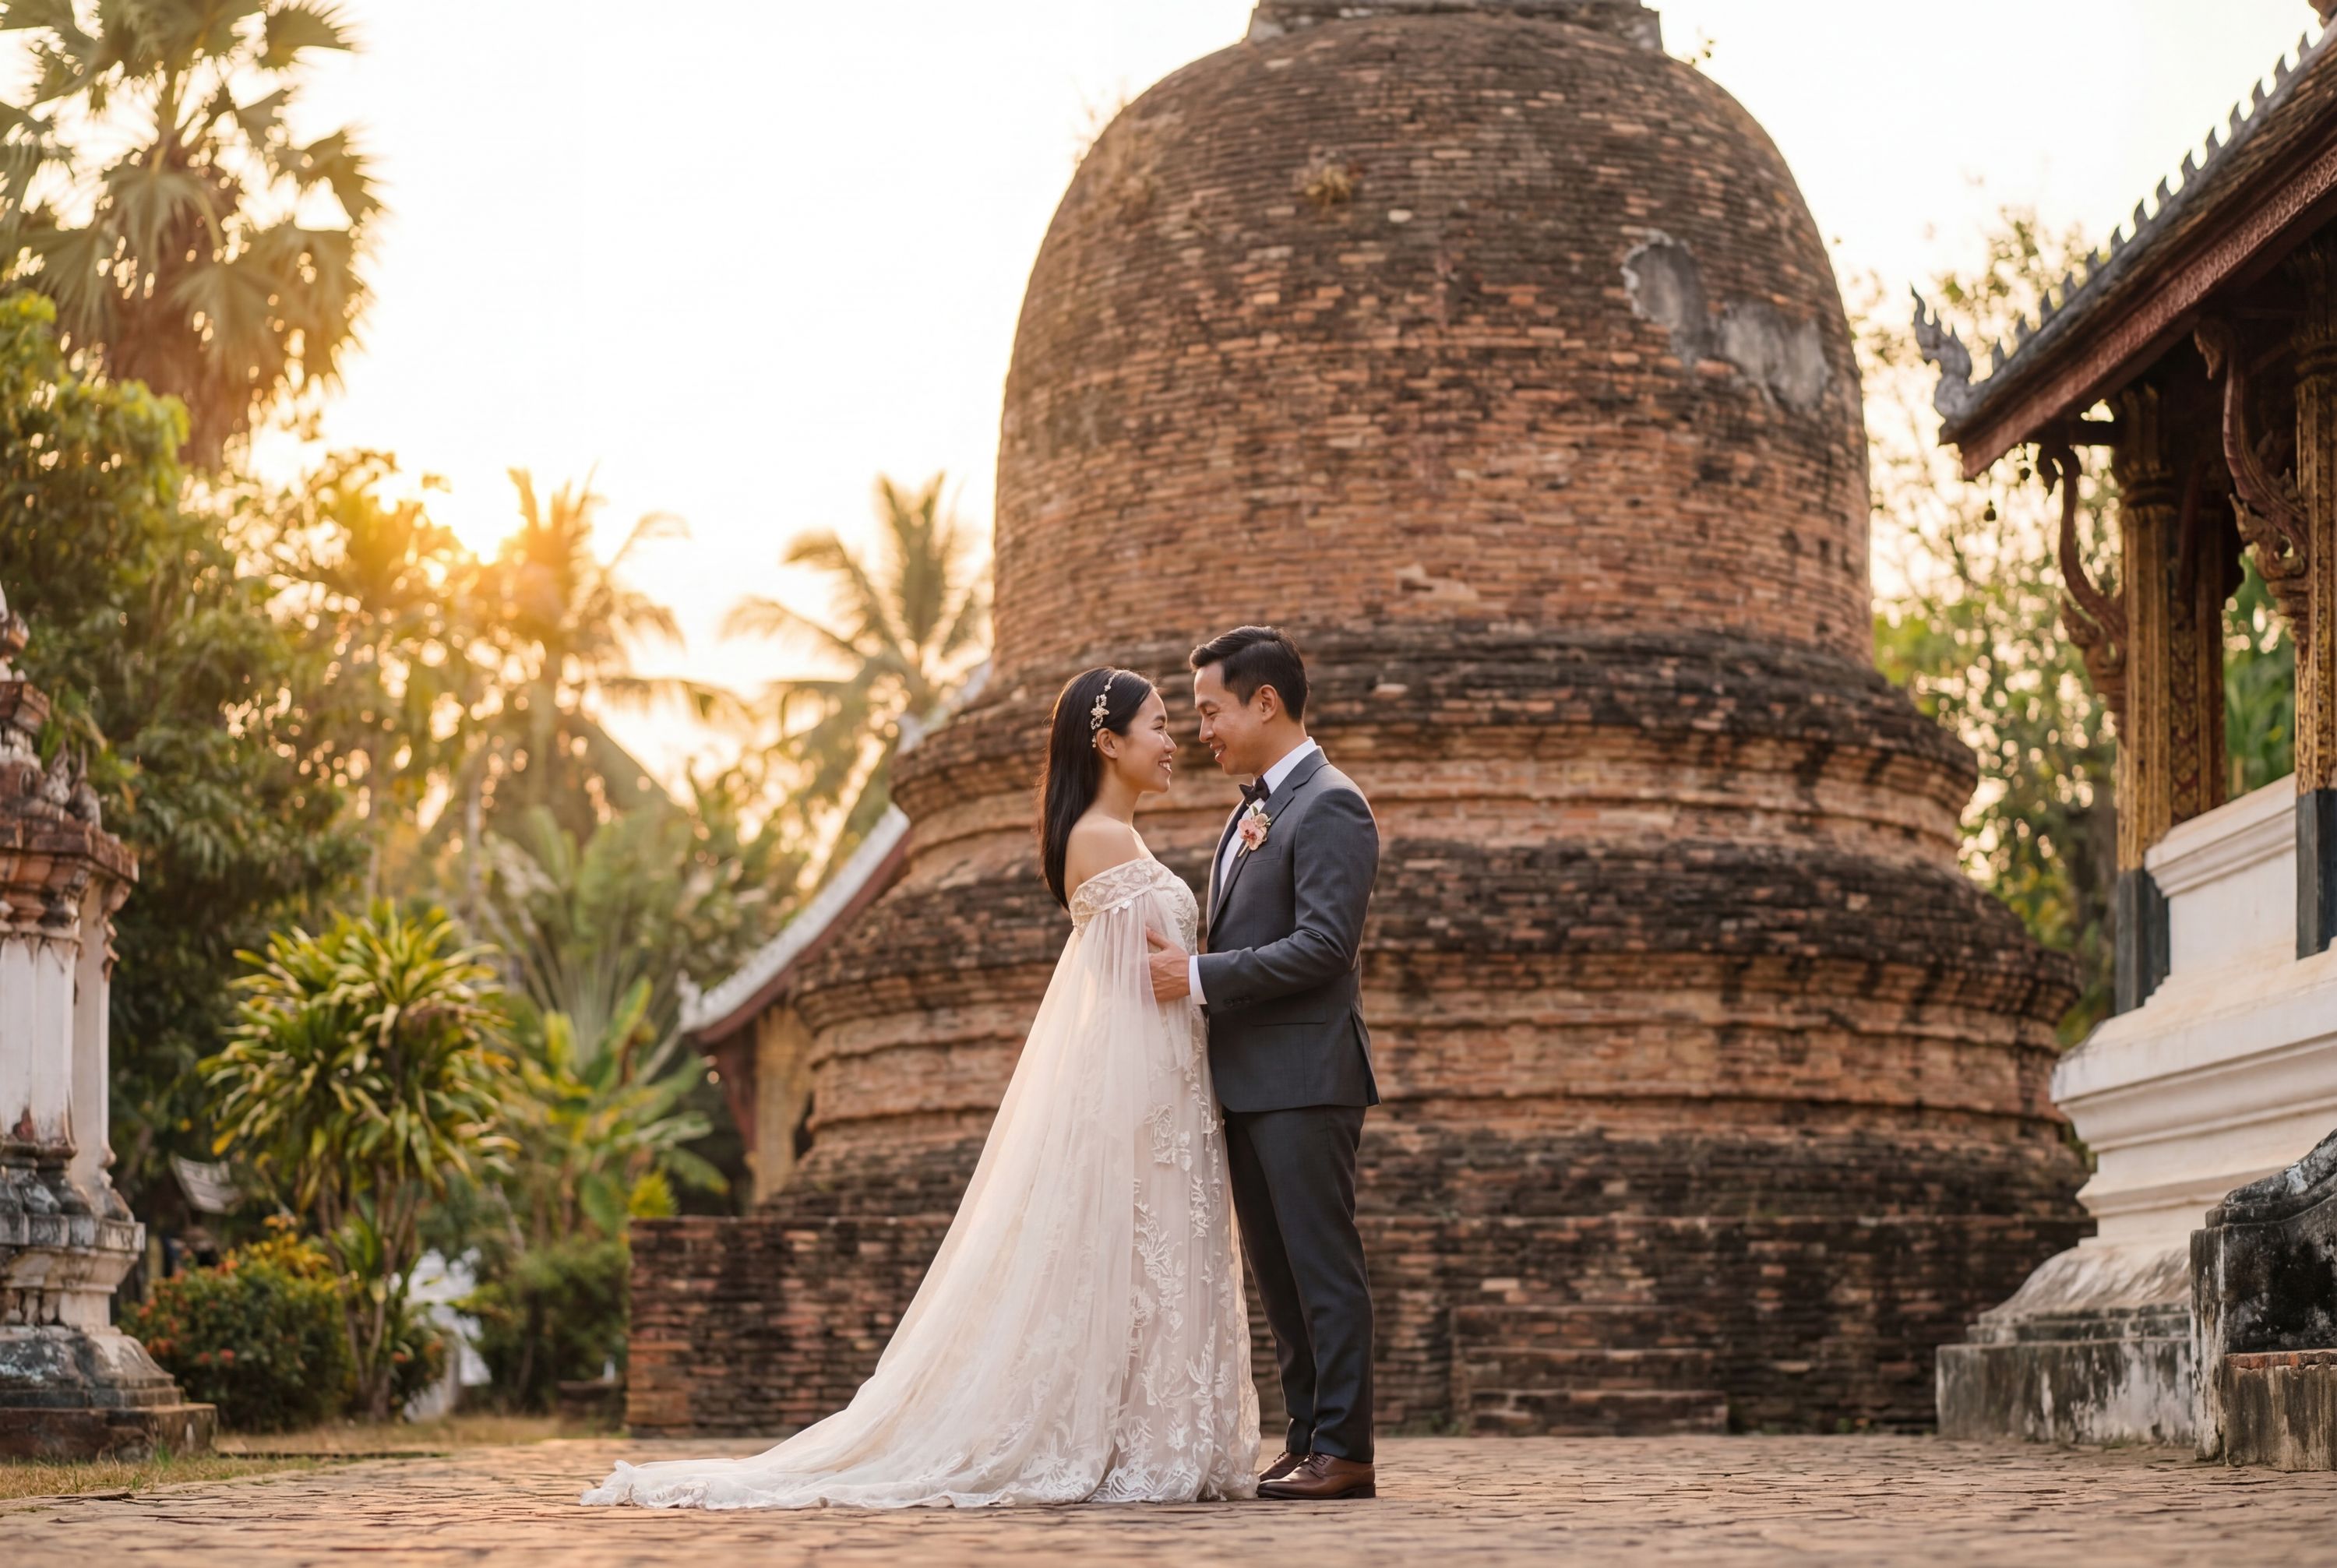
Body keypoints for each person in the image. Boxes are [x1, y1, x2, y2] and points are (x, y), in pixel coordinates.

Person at [581, 668, 1258, 1510]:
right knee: (1137, 1268)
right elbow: (1133, 985)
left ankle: (1160, 1433)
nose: (1174, 741)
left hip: (1170, 1084)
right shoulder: (1102, 839)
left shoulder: (1122, 836)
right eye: (1160, 725)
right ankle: (1140, 1443)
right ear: (1109, 742)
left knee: (1155, 1271)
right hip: (1146, 1090)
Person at [1145, 624, 1380, 1502]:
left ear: (1265, 702)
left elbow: (1324, 945)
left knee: (1322, 1267)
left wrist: (1196, 976)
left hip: (1306, 1078)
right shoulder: (1253, 809)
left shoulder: (1330, 804)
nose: (1201, 729)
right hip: (1249, 1082)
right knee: (1280, 1280)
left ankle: (1346, 1449)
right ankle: (1307, 1438)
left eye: (1211, 710)